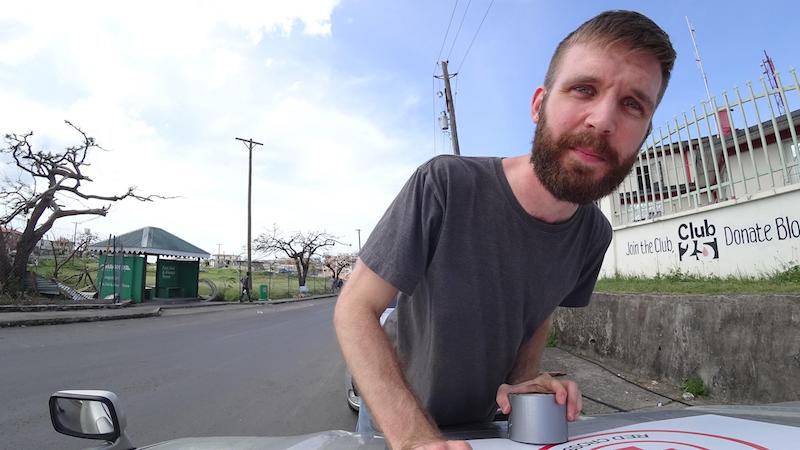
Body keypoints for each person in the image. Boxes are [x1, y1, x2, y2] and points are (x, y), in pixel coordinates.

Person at [334, 10, 676, 450]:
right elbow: (355, 308)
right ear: (539, 105)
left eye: (633, 104)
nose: (603, 119)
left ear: (644, 134)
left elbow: (537, 316)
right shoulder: (444, 185)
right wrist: (414, 437)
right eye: (583, 89)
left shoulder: (595, 235)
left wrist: (523, 382)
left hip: (485, 426)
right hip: (395, 425)